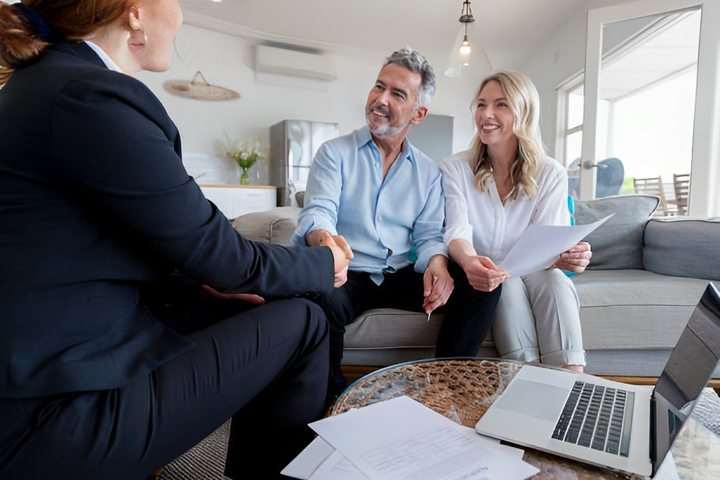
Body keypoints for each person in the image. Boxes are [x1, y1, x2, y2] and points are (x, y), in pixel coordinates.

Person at [0, 2, 352, 479]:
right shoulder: (87, 97)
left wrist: (201, 285)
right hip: (50, 412)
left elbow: (110, 246)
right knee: (307, 318)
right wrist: (323, 262)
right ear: (136, 13)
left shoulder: (52, 83)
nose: (182, 15)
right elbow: (219, 252)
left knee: (258, 304)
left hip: (65, 354)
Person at [291, 47, 502, 399]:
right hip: (350, 271)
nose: (381, 99)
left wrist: (438, 263)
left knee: (481, 284)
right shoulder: (334, 153)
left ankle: (447, 391)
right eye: (379, 87)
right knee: (317, 298)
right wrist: (326, 244)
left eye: (397, 94)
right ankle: (331, 404)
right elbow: (318, 212)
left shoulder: (428, 172)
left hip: (403, 273)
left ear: (418, 113)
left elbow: (430, 234)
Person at [440, 71, 592, 373]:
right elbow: (456, 230)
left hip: (537, 270)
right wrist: (471, 263)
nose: (487, 114)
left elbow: (548, 243)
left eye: (500, 105)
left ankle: (572, 379)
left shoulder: (550, 173)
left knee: (555, 280)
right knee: (504, 285)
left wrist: (569, 256)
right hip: (489, 271)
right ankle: (525, 379)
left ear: (524, 112)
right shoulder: (455, 167)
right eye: (481, 105)